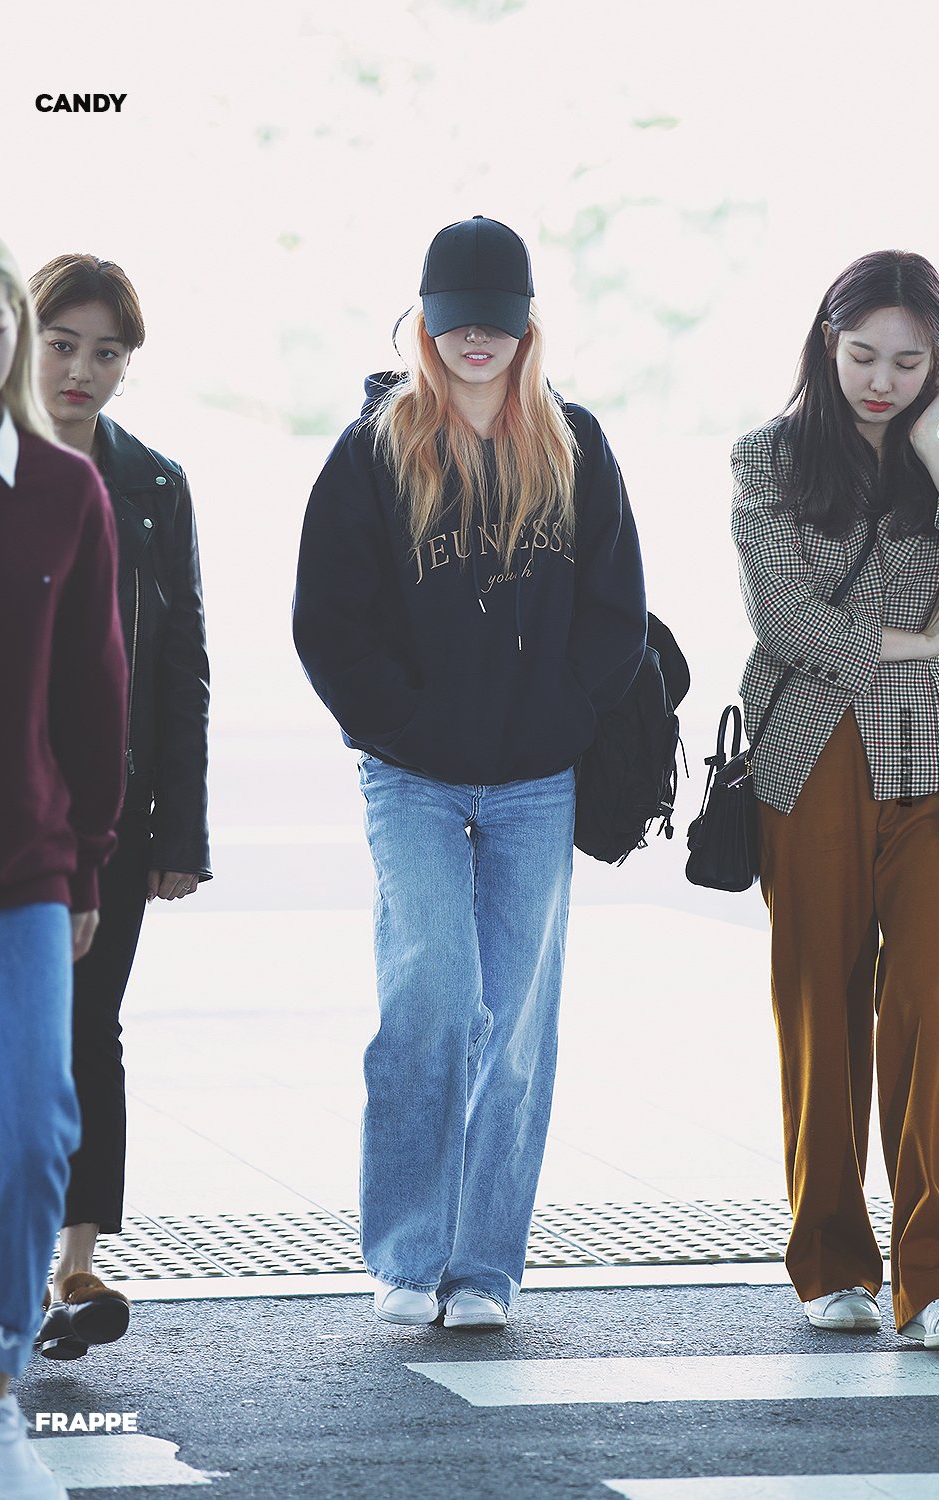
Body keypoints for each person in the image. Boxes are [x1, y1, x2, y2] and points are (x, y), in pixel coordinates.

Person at [293, 215, 646, 1328]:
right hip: (412, 775)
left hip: (537, 776)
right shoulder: (375, 448)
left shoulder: (574, 443)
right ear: (425, 321)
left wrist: (562, 716)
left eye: (498, 319)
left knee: (519, 1023)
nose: (477, 339)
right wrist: (401, 723)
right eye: (457, 320)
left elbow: (618, 611)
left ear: (527, 325)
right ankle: (407, 1256)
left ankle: (484, 1269)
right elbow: (326, 621)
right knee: (434, 995)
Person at [732, 249, 939, 1348]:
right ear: (827, 344)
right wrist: (910, 642)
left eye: (907, 364)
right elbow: (781, 615)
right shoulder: (770, 457)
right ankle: (831, 1261)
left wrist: (937, 453)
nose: (882, 382)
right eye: (863, 354)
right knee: (822, 1003)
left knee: (937, 1004)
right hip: (814, 752)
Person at [0, 219, 127, 1499]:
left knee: (29, 1139)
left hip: (19, 871)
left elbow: (95, 698)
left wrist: (87, 868)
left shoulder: (67, 492)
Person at [28, 254, 212, 1359]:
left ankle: (77, 1265)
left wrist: (179, 830)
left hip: (109, 805)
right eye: (64, 345)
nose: (82, 370)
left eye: (106, 353)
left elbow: (181, 664)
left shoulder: (152, 487)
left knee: (89, 1028)